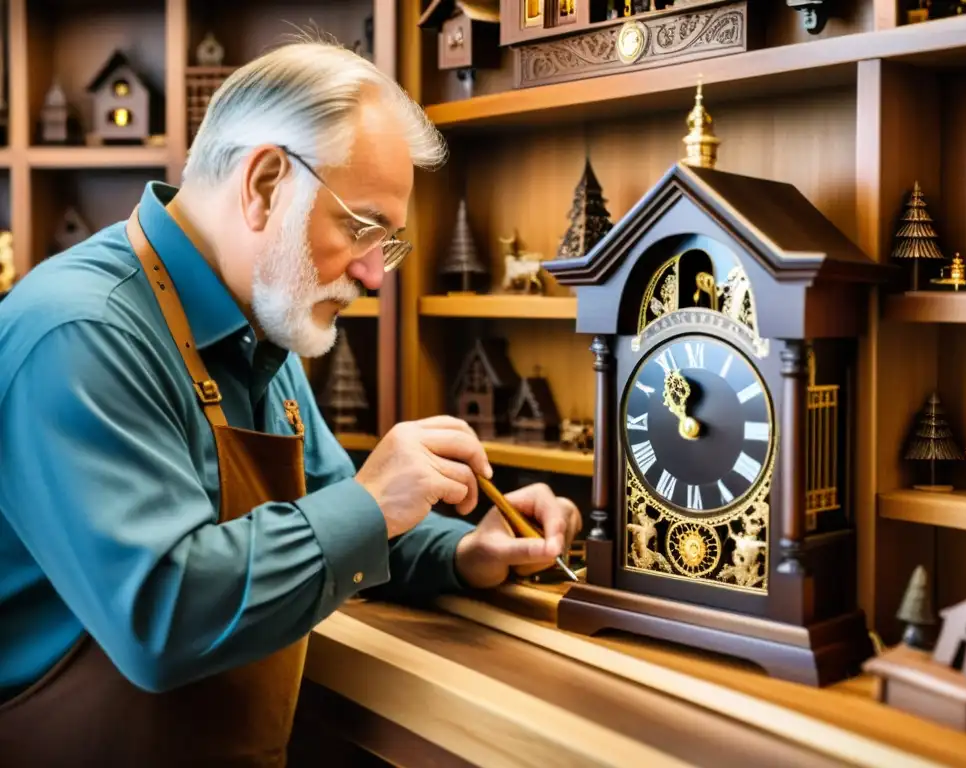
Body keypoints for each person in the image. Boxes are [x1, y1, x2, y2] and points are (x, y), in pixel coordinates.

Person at [0, 38, 581, 766]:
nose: (375, 273)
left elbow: (334, 508)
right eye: (363, 228)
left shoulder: (263, 324)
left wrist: (464, 549)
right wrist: (373, 503)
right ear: (267, 184)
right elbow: (161, 617)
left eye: (388, 243)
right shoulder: (80, 331)